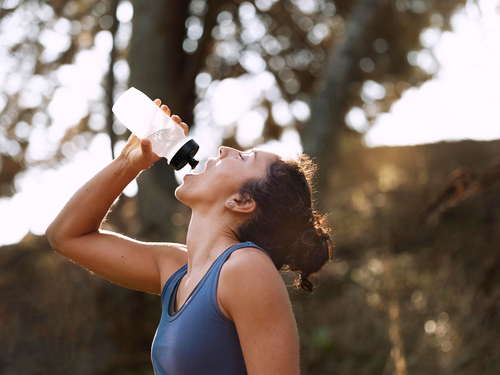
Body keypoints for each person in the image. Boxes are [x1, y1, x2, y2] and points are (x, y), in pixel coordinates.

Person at [46, 99, 333, 375]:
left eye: (244, 157)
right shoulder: (176, 268)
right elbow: (66, 236)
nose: (224, 149)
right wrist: (128, 163)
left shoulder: (246, 268)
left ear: (241, 200)